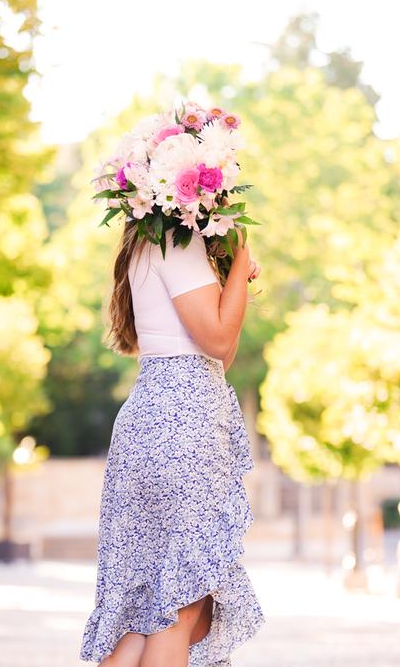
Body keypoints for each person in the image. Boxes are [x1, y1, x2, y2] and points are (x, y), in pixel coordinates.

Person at [79, 221, 266, 667]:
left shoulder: (152, 243)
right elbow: (218, 341)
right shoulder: (176, 243)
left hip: (156, 417)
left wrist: (232, 278)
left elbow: (219, 353)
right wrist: (240, 259)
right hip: (184, 426)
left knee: (152, 613)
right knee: (179, 612)